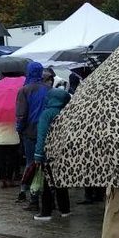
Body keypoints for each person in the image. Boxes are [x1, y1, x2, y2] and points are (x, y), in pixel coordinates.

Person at [34, 87, 72, 221]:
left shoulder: (47, 114)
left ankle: (46, 212)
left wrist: (38, 155)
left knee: (47, 182)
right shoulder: (67, 112)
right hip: (64, 152)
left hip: (49, 153)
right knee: (61, 180)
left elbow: (42, 135)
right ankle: (65, 210)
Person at [15, 61, 50, 207]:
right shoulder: (48, 89)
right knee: (45, 163)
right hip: (47, 131)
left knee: (31, 163)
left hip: (30, 131)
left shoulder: (24, 90)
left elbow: (21, 114)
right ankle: (48, 196)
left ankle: (29, 194)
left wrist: (19, 129)